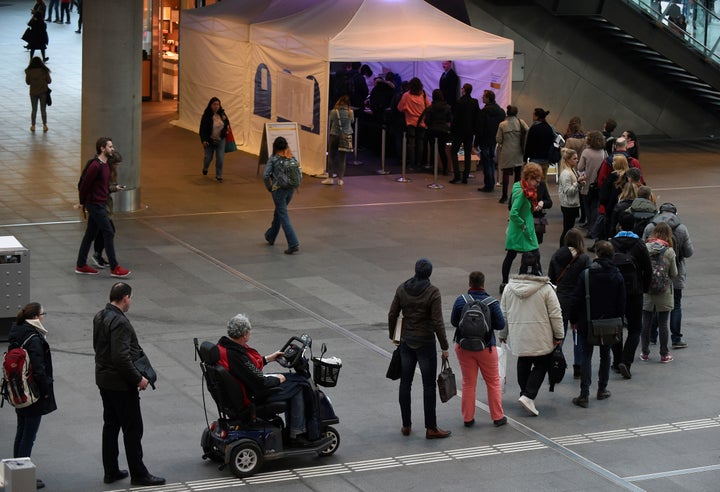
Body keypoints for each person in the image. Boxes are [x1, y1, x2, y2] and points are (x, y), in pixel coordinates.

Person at [93, 282, 165, 487]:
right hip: (121, 385)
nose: (131, 301)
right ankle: (139, 473)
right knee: (133, 429)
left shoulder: (99, 316)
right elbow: (121, 358)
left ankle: (111, 471)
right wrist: (138, 379)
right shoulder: (121, 322)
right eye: (131, 298)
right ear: (125, 298)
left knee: (111, 425)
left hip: (104, 380)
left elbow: (98, 347)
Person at [216, 314, 319, 444]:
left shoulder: (224, 347)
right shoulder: (236, 355)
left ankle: (295, 429)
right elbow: (259, 381)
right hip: (252, 396)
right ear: (245, 335)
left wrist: (268, 358)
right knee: (300, 383)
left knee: (292, 379)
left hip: (242, 390)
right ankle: (297, 433)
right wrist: (278, 379)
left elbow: (249, 369)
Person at [388, 258, 451, 439]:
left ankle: (406, 425)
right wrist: (444, 346)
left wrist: (394, 336)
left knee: (405, 383)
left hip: (407, 342)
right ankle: (431, 428)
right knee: (429, 386)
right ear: (429, 273)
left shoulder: (402, 288)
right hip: (425, 343)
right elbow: (438, 322)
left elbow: (392, 314)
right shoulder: (433, 292)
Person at [498, 251, 564, 417]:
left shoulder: (509, 288)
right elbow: (555, 314)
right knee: (542, 364)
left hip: (518, 334)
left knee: (523, 361)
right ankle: (528, 395)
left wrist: (503, 333)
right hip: (541, 335)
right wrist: (559, 334)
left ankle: (524, 393)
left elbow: (503, 314)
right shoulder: (546, 289)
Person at [568, 240, 626, 408]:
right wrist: (619, 321)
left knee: (586, 355)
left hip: (587, 321)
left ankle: (584, 394)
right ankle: (602, 389)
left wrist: (573, 319)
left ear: (597, 254)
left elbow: (576, 298)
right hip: (608, 323)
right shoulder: (616, 275)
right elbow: (622, 302)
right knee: (605, 354)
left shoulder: (586, 275)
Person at [8, 302, 56, 490]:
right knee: (29, 435)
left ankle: (17, 471)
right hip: (32, 392)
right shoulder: (34, 338)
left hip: (19, 389)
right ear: (36, 317)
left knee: (21, 431)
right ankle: (23, 476)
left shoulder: (17, 331)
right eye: (43, 313)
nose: (44, 316)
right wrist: (45, 392)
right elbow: (39, 369)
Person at [450, 271, 507, 428]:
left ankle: (468, 418)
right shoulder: (492, 303)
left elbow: (454, 322)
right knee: (493, 382)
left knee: (468, 383)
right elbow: (501, 325)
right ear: (483, 284)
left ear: (470, 284)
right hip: (486, 348)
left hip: (463, 347)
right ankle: (497, 417)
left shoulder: (461, 301)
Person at [75, 137, 131, 278]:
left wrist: (111, 189)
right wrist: (82, 202)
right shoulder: (95, 166)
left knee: (90, 234)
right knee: (109, 232)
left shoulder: (105, 165)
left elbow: (102, 187)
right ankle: (114, 267)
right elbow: (84, 185)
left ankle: (81, 265)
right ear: (102, 148)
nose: (112, 148)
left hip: (99, 202)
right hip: (95, 205)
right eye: (110, 146)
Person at [643, 203, 694, 348]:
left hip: (653, 277)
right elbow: (689, 252)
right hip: (675, 274)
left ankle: (652, 336)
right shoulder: (682, 228)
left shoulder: (650, 227)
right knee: (676, 305)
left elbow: (642, 248)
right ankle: (676, 338)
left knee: (652, 306)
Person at [610, 213, 652, 379]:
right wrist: (644, 288)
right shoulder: (639, 244)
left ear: (619, 225)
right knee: (635, 329)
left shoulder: (612, 243)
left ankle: (617, 360)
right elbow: (648, 269)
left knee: (616, 327)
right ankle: (626, 362)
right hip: (635, 291)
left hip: (615, 292)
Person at [548, 228, 592, 379]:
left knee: (559, 334)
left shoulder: (557, 255)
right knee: (578, 334)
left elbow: (551, 279)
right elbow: (588, 279)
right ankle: (578, 366)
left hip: (560, 299)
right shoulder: (584, 258)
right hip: (578, 300)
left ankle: (555, 362)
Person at [500, 162, 543, 292]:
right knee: (535, 254)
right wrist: (523, 225)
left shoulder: (518, 186)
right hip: (523, 230)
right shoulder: (524, 193)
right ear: (529, 178)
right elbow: (513, 212)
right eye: (536, 180)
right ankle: (540, 282)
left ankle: (504, 283)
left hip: (517, 230)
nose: (538, 183)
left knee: (511, 256)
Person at [640, 222, 678, 363]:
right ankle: (664, 354)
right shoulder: (669, 251)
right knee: (663, 323)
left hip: (647, 290)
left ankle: (644, 352)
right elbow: (674, 273)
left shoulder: (644, 248)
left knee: (646, 322)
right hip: (664, 291)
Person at [263, 136, 300, 255]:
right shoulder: (291, 157)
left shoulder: (273, 159)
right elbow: (299, 173)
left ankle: (293, 243)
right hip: (290, 190)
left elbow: (265, 175)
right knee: (279, 212)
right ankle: (270, 236)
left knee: (283, 215)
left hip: (278, 190)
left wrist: (269, 187)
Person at [92, 150, 126, 269]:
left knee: (102, 231)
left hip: (104, 205)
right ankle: (100, 256)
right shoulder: (104, 171)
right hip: (101, 205)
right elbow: (104, 188)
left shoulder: (111, 171)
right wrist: (115, 188)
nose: (118, 166)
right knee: (108, 231)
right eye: (116, 164)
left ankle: (98, 255)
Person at [496, 105, 528, 203]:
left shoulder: (502, 124)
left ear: (507, 113)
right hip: (518, 152)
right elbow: (527, 130)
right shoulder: (520, 122)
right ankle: (515, 196)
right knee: (517, 175)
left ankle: (504, 196)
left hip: (506, 152)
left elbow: (499, 139)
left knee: (505, 175)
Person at [397, 77, 430, 171]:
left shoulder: (406, 95)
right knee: (420, 143)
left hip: (410, 122)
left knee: (411, 144)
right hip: (422, 123)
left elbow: (399, 108)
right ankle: (419, 163)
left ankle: (411, 164)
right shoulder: (423, 94)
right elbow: (428, 106)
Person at [449, 83, 479, 184]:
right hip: (469, 132)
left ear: (464, 90)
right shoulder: (475, 102)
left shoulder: (459, 102)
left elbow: (456, 118)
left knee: (454, 152)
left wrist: (451, 129)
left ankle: (457, 175)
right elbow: (476, 117)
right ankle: (465, 176)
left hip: (458, 131)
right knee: (467, 154)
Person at [477, 90, 506, 192]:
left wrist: (476, 142)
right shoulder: (501, 111)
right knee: (492, 161)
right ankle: (491, 183)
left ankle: (488, 184)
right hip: (495, 140)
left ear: (488, 98)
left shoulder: (484, 111)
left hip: (485, 140)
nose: (482, 98)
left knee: (486, 163)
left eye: (484, 96)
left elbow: (480, 128)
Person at [578, 130, 606, 230]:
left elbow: (580, 167)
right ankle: (593, 226)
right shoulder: (603, 152)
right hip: (598, 183)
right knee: (595, 206)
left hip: (587, 182)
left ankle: (590, 225)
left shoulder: (586, 152)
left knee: (587, 206)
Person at [323, 95, 354, 186]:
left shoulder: (333, 112)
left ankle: (330, 178)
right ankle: (340, 179)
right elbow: (352, 121)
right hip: (345, 136)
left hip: (334, 135)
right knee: (342, 158)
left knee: (331, 156)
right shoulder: (350, 112)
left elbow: (331, 122)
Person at [557, 148, 585, 247]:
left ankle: (565, 247)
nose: (577, 160)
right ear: (568, 160)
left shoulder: (572, 170)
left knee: (569, 228)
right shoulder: (566, 174)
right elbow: (568, 191)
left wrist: (580, 184)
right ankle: (563, 248)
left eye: (577, 158)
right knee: (567, 229)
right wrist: (578, 183)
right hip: (568, 204)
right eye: (574, 159)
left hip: (572, 203)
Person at [420, 89, 452, 175]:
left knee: (433, 149)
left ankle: (434, 168)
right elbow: (449, 120)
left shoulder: (430, 108)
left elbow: (427, 120)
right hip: (443, 130)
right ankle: (445, 169)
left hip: (432, 130)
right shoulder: (447, 107)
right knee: (442, 150)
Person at [199, 96, 230, 182]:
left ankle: (219, 175)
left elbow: (227, 123)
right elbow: (202, 129)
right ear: (210, 105)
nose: (216, 106)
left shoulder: (222, 114)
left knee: (220, 158)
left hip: (221, 139)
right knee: (208, 158)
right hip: (210, 140)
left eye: (218, 104)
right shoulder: (206, 116)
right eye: (214, 104)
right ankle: (205, 167)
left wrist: (225, 128)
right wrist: (204, 140)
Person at [523, 108, 555, 179]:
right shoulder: (549, 128)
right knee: (543, 181)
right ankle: (544, 190)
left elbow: (528, 144)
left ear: (537, 117)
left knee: (533, 180)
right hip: (546, 159)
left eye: (533, 115)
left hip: (535, 159)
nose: (532, 117)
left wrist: (525, 158)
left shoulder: (534, 128)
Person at [25, 56, 51, 133]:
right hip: (43, 91)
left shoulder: (29, 71)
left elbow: (27, 82)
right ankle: (45, 125)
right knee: (43, 109)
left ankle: (33, 126)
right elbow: (49, 81)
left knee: (34, 109)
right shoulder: (44, 71)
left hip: (33, 92)